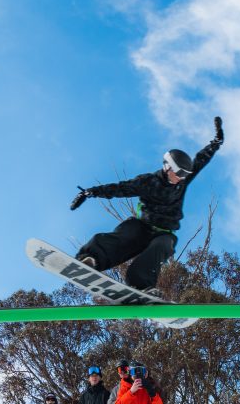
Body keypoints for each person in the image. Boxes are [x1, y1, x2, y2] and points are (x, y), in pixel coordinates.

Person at [70, 116, 224, 294]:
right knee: (126, 234)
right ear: (168, 167)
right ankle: (91, 259)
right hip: (142, 226)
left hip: (164, 233)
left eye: (185, 174)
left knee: (163, 246)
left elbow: (201, 159)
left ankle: (141, 285)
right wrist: (90, 192)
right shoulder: (148, 182)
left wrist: (216, 142)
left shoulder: (182, 183)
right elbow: (121, 189)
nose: (181, 178)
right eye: (179, 173)